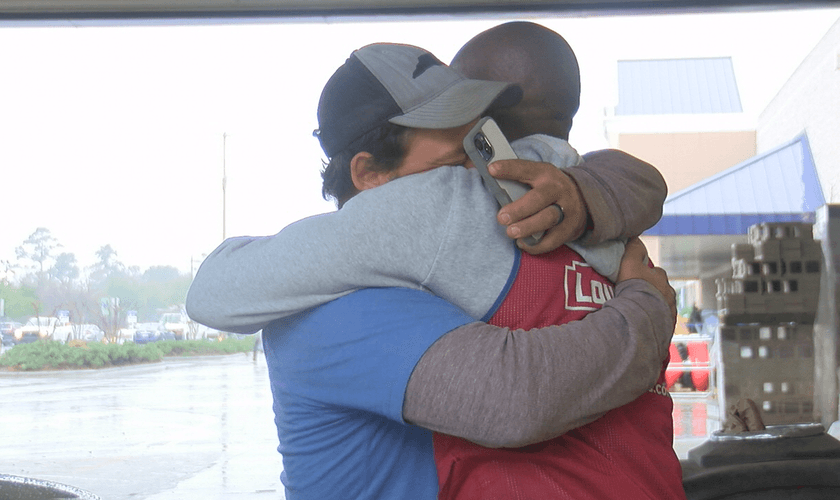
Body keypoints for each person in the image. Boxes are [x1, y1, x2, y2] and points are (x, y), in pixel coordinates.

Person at [187, 40, 677, 499]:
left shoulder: (449, 247)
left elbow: (583, 163)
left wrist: (584, 193)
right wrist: (647, 307)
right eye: (452, 163)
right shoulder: (332, 310)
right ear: (367, 174)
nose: (480, 179)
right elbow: (516, 397)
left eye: (480, 149)